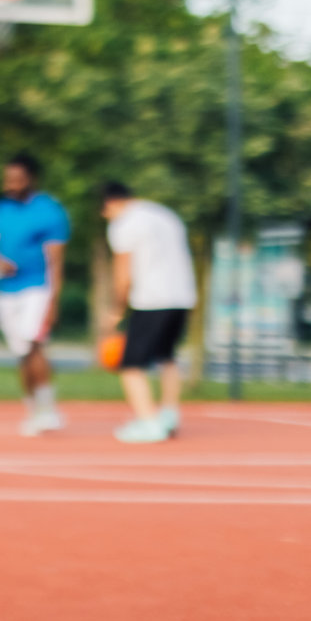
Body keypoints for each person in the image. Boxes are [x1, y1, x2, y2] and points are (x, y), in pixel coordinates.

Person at [99, 181, 197, 443]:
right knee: (167, 356)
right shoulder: (166, 215)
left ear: (111, 202)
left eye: (104, 211)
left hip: (152, 299)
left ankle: (148, 422)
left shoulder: (124, 224)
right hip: (182, 295)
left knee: (130, 365)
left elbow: (123, 273)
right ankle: (168, 415)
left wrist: (117, 309)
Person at [0, 153, 70, 436]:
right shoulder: (0, 209)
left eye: (18, 179)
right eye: (8, 178)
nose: (11, 184)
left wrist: (53, 300)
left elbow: (56, 261)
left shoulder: (50, 211)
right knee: (22, 352)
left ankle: (49, 410)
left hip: (37, 288)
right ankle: (33, 409)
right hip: (5, 291)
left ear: (32, 179)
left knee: (34, 344)